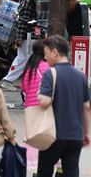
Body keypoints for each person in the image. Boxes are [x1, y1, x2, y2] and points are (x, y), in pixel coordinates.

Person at [36, 35, 91, 176]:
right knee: (71, 171)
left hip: (54, 135)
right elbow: (86, 107)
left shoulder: (50, 74)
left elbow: (44, 102)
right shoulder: (81, 76)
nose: (45, 58)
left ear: (55, 52)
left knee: (44, 171)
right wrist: (87, 132)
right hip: (75, 135)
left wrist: (39, 94)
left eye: (46, 53)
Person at [0, 0, 39, 91]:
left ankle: (27, 81)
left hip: (27, 36)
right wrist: (20, 38)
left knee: (24, 58)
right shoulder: (28, 3)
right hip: (27, 36)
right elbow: (23, 22)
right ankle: (8, 80)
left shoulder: (27, 2)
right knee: (23, 59)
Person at [21, 40, 50, 110]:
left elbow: (23, 89)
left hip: (30, 109)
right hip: (43, 106)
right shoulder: (47, 66)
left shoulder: (28, 68)